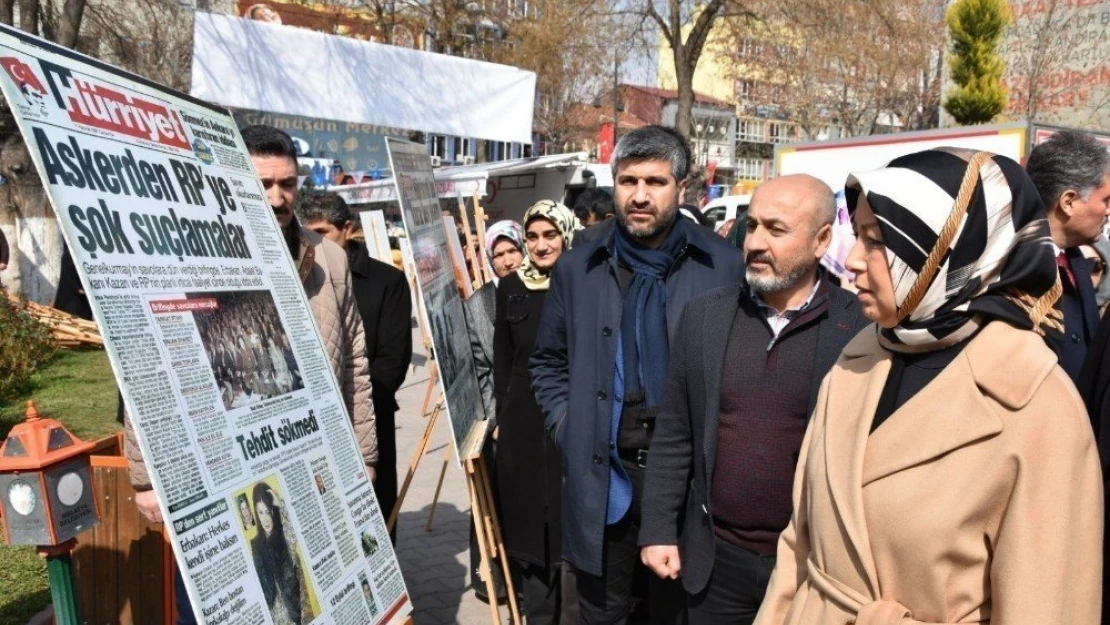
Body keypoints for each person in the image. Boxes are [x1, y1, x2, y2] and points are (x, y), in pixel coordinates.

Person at [753, 148, 1103, 625]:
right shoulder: (856, 360)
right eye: (859, 236)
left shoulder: (1036, 404)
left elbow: (1049, 605)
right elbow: (799, 546)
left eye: (876, 241)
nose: (853, 259)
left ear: (944, 253)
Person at [123, 125, 376, 623]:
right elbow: (149, 365)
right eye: (262, 183)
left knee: (307, 596)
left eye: (287, 183)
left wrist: (364, 457)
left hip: (310, 462)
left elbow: (356, 364)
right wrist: (143, 475)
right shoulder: (188, 255)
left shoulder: (330, 260)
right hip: (221, 466)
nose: (277, 197)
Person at [530, 125, 743, 625]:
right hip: (607, 477)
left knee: (675, 614)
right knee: (603, 615)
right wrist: (569, 427)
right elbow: (548, 362)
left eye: (655, 182)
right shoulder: (578, 267)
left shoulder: (723, 266)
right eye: (628, 182)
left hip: (689, 484)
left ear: (681, 187)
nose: (640, 196)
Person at [639, 175, 868, 625]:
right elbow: (675, 434)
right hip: (715, 563)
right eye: (752, 226)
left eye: (776, 230)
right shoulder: (705, 316)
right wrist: (659, 529)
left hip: (812, 568)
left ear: (822, 240)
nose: (755, 243)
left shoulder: (859, 328)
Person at [297, 192, 410, 537]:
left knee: (372, 524)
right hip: (310, 428)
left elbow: (392, 362)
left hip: (368, 419)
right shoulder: (298, 274)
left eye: (322, 231)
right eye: (307, 232)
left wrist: (350, 406)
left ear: (347, 229)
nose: (314, 241)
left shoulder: (386, 281)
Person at [493, 200, 576, 625]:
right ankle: (537, 612)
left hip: (570, 410)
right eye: (533, 237)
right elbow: (503, 359)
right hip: (523, 418)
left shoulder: (584, 280)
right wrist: (501, 418)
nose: (541, 246)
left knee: (566, 515)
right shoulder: (511, 287)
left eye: (550, 235)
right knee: (528, 517)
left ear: (566, 234)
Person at [1025, 129, 1110, 380]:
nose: (1108, 211)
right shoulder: (1015, 272)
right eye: (1105, 200)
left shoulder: (1077, 264)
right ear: (1068, 202)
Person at [251, 483, 312, 625]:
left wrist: (281, 504)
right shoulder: (255, 546)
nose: (265, 519)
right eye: (260, 512)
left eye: (268, 511)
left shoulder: (285, 536)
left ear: (274, 511)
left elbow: (298, 523)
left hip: (296, 616)